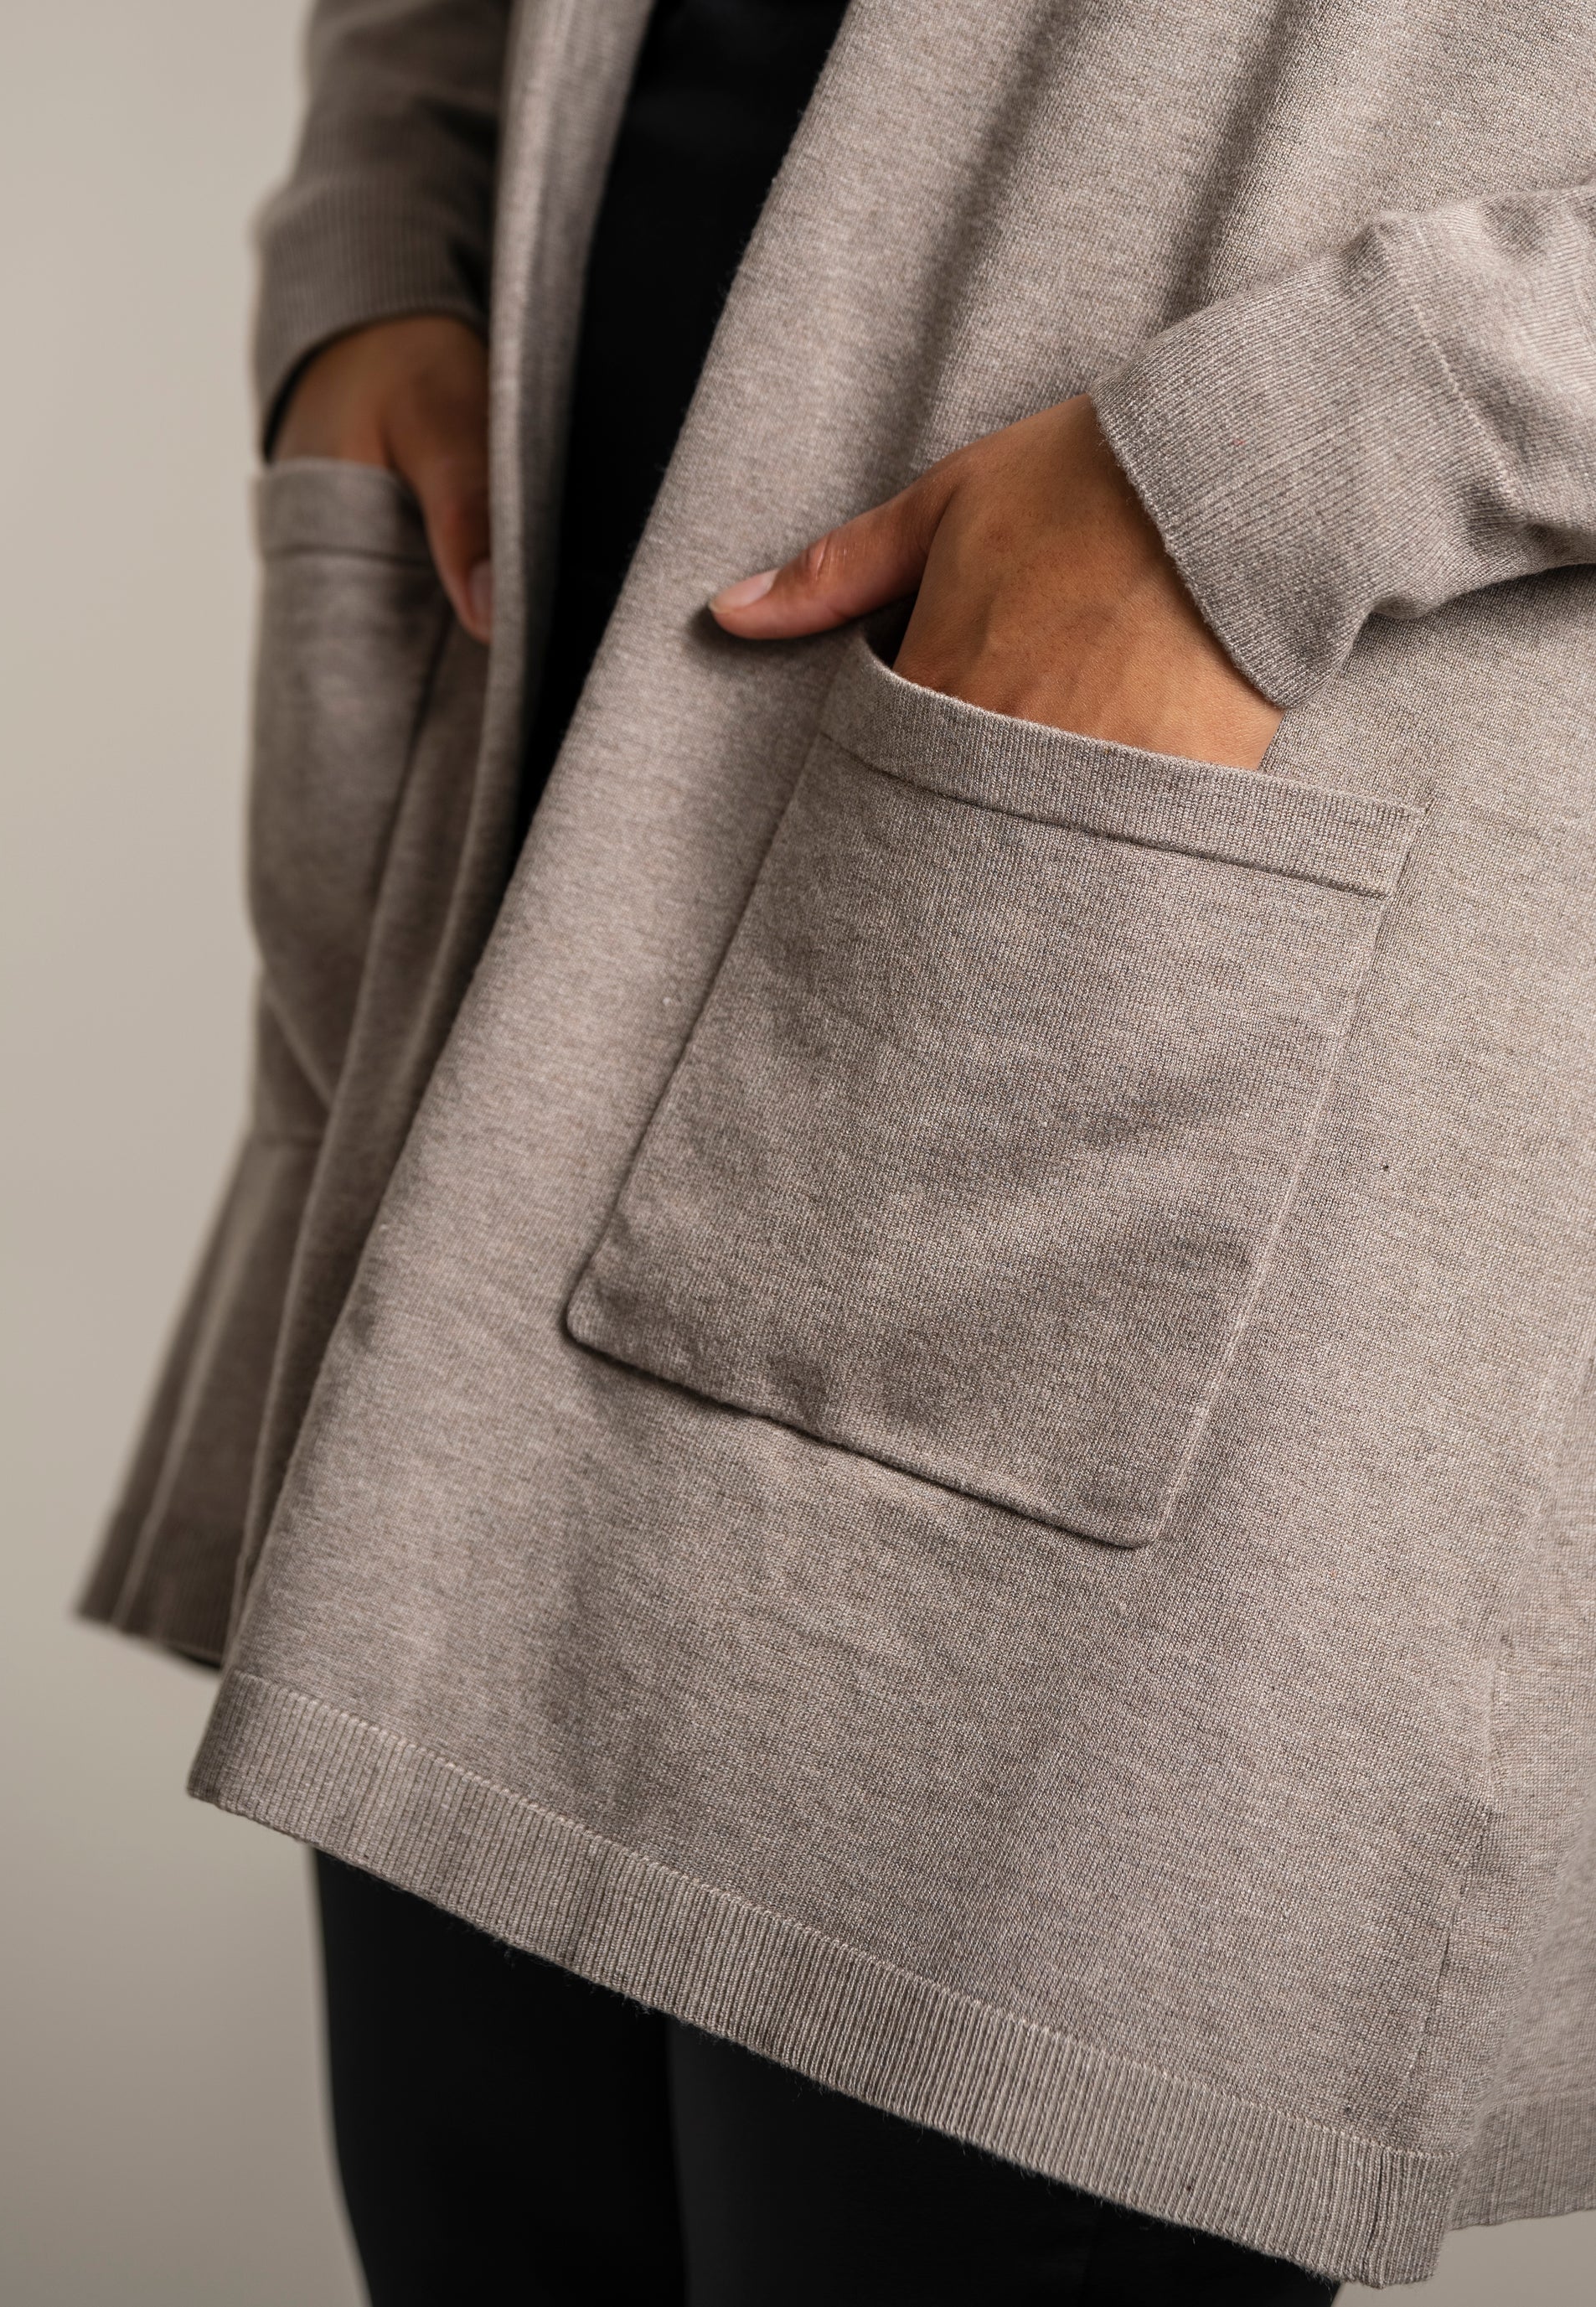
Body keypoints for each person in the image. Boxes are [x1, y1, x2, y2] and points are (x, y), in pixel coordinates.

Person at [84, 1, 1596, 2298]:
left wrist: (1337, 435)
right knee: (482, 2213)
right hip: (542, 852)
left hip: (1169, 835)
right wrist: (377, 239)